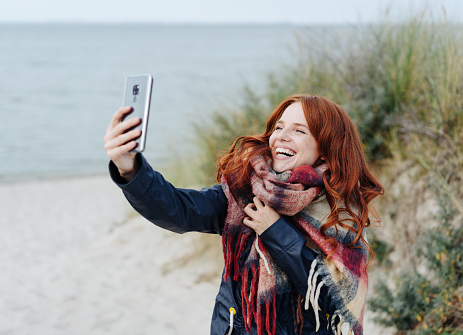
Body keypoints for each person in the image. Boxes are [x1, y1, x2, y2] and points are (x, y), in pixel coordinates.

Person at [104, 94, 384, 335]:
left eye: (299, 131)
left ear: (326, 150)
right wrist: (130, 169)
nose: (281, 137)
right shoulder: (245, 191)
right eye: (279, 127)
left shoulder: (341, 215)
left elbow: (336, 299)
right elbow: (180, 210)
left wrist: (275, 231)